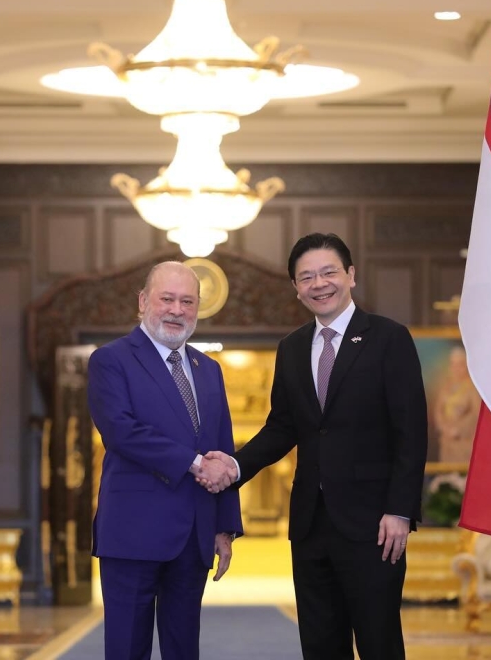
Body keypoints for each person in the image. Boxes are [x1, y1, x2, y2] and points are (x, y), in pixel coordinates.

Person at [201, 233, 428, 659]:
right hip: (310, 525)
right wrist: (233, 466)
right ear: (296, 288)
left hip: (374, 525)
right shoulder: (291, 348)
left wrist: (400, 510)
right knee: (321, 644)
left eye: (328, 272)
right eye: (307, 277)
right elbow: (281, 428)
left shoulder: (387, 339)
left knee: (379, 642)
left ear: (351, 276)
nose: (319, 284)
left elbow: (411, 433)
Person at [87, 261, 242, 660]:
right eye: (167, 299)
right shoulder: (111, 360)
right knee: (126, 650)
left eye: (187, 301)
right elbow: (123, 432)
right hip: (131, 535)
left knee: (183, 649)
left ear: (197, 308)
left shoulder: (209, 370)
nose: (176, 310)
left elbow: (222, 447)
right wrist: (194, 463)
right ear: (143, 302)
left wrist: (224, 526)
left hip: (193, 538)